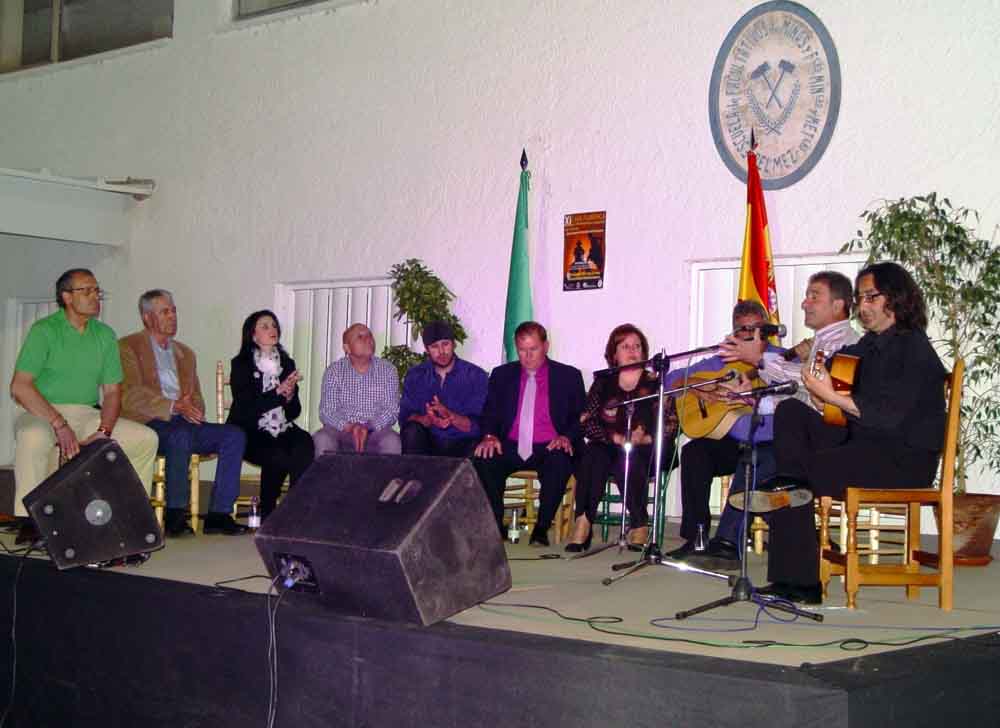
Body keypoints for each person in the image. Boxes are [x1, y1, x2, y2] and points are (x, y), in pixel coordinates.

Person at [735, 262, 947, 604]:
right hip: (863, 444)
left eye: (871, 297)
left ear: (896, 298)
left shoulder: (914, 349)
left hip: (901, 459)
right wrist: (811, 370)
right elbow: (833, 371)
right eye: (860, 298)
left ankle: (801, 579)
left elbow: (886, 416)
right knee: (792, 414)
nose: (862, 307)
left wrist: (831, 394)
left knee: (799, 476)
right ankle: (793, 546)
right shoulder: (868, 345)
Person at [9, 269, 158, 543]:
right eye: (86, 291)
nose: (94, 296)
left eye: (96, 291)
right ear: (67, 297)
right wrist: (58, 423)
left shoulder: (105, 335)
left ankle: (127, 514)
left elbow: (113, 392)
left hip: (88, 413)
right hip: (42, 411)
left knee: (144, 438)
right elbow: (20, 387)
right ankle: (28, 519)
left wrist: (105, 429)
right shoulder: (45, 331)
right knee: (33, 436)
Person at [119, 289, 248, 536]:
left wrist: (193, 408)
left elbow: (196, 396)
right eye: (165, 312)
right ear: (147, 317)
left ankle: (219, 514)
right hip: (148, 423)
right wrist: (173, 406)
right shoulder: (127, 347)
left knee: (234, 435)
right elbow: (130, 394)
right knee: (180, 435)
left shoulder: (186, 353)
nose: (172, 317)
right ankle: (176, 514)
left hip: (184, 421)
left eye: (174, 311)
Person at [566, 324, 678, 552]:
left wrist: (645, 438)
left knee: (626, 460)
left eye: (637, 346)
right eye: (625, 346)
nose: (632, 351)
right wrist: (616, 438)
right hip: (611, 443)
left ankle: (639, 523)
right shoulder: (603, 382)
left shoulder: (655, 382)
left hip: (649, 447)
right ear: (614, 354)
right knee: (593, 454)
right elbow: (588, 421)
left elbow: (671, 423)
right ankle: (584, 520)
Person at [473, 321, 586, 546]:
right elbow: (489, 412)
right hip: (511, 443)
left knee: (560, 461)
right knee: (484, 458)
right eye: (521, 350)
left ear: (546, 346)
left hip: (550, 444)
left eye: (533, 349)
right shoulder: (502, 375)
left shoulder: (568, 376)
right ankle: (496, 525)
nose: (527, 356)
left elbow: (581, 417)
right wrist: (489, 436)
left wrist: (566, 436)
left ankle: (541, 528)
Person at [226, 310, 314, 519]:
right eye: (265, 326)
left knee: (304, 443)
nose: (272, 329)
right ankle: (268, 512)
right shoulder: (241, 364)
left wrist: (290, 396)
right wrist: (278, 392)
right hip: (249, 430)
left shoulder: (287, 363)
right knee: (277, 452)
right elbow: (248, 407)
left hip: (281, 427)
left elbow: (294, 412)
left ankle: (294, 510)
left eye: (274, 325)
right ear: (253, 335)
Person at [399, 321, 488, 457]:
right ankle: (414, 478)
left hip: (462, 443)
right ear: (426, 349)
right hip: (428, 442)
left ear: (454, 344)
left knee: (480, 448)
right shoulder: (415, 376)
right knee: (412, 431)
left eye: (445, 344)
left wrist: (451, 416)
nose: (441, 352)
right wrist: (428, 419)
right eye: (435, 346)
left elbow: (478, 426)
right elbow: (405, 419)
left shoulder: (475, 376)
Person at [313, 323, 401, 455]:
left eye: (369, 335)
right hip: (341, 431)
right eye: (360, 337)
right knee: (322, 439)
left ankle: (387, 477)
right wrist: (350, 427)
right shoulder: (334, 371)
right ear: (346, 348)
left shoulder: (388, 370)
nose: (368, 339)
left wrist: (368, 427)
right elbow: (327, 411)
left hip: (375, 432)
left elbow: (391, 410)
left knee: (392, 441)